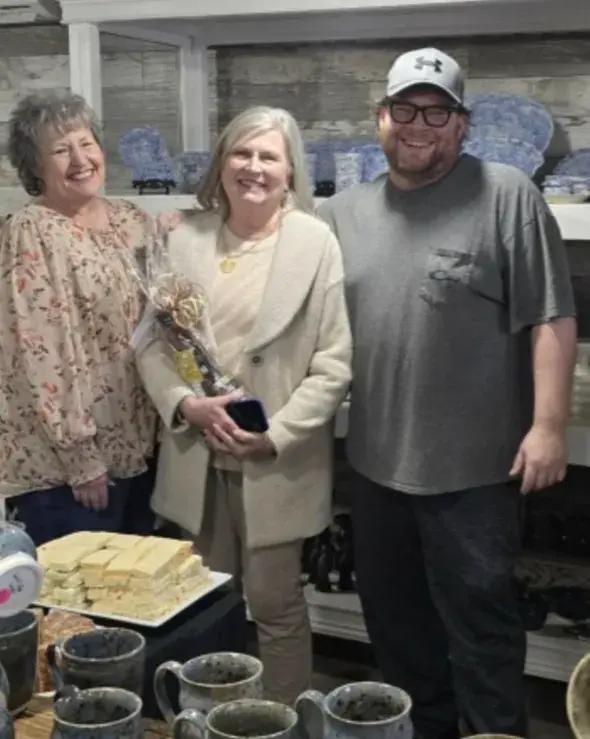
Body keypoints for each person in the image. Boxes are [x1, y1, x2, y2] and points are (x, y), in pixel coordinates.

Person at [318, 48, 577, 739]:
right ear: (380, 117)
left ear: (463, 124)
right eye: (405, 108)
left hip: (475, 473)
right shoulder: (341, 213)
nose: (419, 125)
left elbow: (551, 317)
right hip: (375, 465)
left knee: (482, 631)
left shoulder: (506, 195)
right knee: (396, 627)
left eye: (437, 112)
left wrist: (549, 426)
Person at [135, 105, 352, 704]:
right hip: (197, 458)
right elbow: (151, 345)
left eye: (268, 157)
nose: (254, 167)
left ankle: (281, 720)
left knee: (276, 605)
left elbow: (333, 364)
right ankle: (210, 715)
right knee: (205, 602)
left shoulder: (316, 244)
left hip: (274, 461)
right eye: (242, 152)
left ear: (290, 171)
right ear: (222, 162)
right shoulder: (184, 238)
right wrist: (185, 404)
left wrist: (275, 434)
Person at [0, 91, 160, 544]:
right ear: (35, 167)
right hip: (69, 472)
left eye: (86, 143)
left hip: (139, 452)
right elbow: (38, 352)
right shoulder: (30, 231)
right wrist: (80, 458)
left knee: (140, 584)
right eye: (60, 150)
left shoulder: (131, 220)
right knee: (79, 588)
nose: (80, 159)